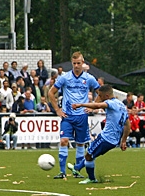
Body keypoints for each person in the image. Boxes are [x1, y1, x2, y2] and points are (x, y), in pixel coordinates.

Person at [47, 52, 100, 180]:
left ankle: (76, 171)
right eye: (74, 63)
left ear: (83, 63)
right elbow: (51, 92)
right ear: (72, 63)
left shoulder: (89, 78)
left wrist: (93, 106)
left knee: (80, 144)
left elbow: (101, 92)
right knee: (63, 140)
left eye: (78, 63)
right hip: (67, 115)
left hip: (82, 116)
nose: (76, 65)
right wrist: (57, 110)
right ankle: (62, 172)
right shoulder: (65, 77)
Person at [70, 85, 130, 184]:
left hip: (107, 138)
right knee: (92, 152)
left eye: (100, 96)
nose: (99, 98)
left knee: (89, 155)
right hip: (113, 139)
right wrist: (123, 141)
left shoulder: (110, 103)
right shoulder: (121, 105)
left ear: (106, 96)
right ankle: (77, 167)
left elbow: (98, 105)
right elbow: (127, 125)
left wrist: (80, 105)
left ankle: (91, 178)